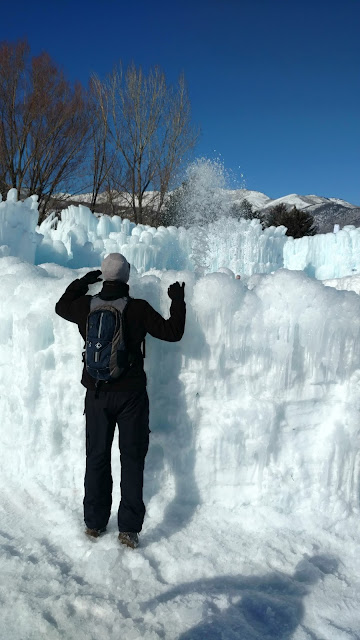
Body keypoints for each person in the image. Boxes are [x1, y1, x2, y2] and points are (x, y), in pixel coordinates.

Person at [55, 253, 186, 548]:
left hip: (97, 394)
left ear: (104, 276)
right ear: (126, 277)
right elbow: (172, 332)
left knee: (97, 456)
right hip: (131, 397)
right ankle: (128, 529)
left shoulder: (85, 306)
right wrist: (177, 299)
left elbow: (60, 307)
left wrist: (82, 283)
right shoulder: (137, 308)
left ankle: (94, 523)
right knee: (132, 458)